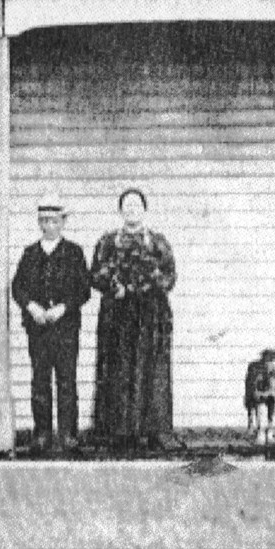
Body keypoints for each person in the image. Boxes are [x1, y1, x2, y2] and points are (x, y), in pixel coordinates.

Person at [90, 188, 176, 451]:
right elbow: (95, 273)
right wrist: (113, 284)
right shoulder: (108, 242)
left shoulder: (157, 242)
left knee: (152, 370)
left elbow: (169, 276)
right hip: (118, 317)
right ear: (120, 211)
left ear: (144, 210)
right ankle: (119, 432)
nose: (131, 210)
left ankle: (155, 431)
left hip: (150, 317)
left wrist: (145, 286)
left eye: (136, 205)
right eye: (126, 206)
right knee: (119, 370)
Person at [11, 194, 90, 453]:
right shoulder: (30, 253)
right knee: (40, 381)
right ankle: (42, 434)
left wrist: (63, 308)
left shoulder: (74, 253)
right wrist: (31, 306)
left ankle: (68, 434)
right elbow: (18, 287)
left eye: (54, 220)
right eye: (44, 220)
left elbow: (84, 290)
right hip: (39, 330)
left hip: (65, 329)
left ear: (63, 222)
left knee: (67, 381)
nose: (49, 225)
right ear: (39, 222)